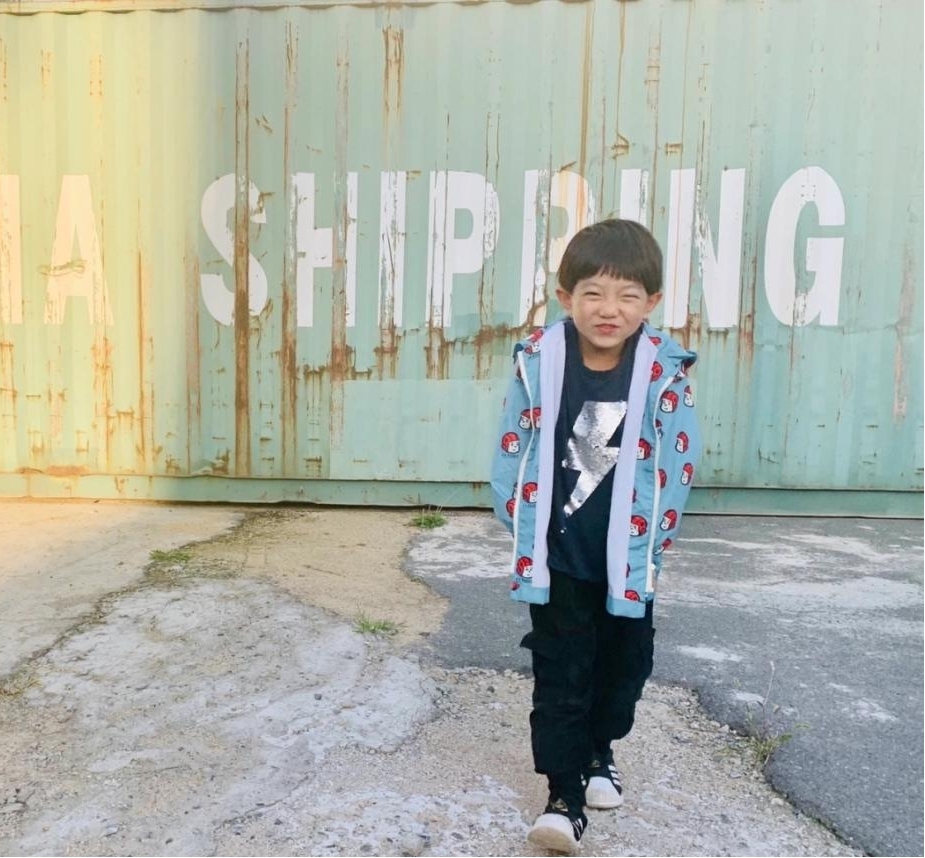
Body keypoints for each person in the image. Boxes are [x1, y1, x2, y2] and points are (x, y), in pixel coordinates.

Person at [490, 218, 702, 854]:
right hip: (559, 558)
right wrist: (520, 524)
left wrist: (654, 542)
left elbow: (679, 462)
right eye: (593, 293)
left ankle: (600, 751)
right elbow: (513, 445)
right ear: (565, 297)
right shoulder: (539, 363)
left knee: (622, 670)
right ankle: (563, 798)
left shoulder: (664, 373)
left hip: (625, 561)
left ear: (651, 302)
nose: (609, 310)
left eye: (628, 296)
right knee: (561, 676)